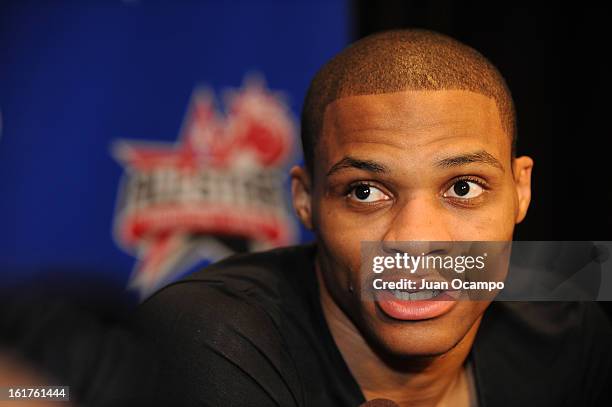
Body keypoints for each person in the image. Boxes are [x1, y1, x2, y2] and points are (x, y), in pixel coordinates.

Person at [133, 29, 612, 406]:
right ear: (306, 199)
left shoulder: (568, 321)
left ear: (521, 189)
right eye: (365, 192)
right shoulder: (208, 337)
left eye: (463, 188)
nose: (417, 240)